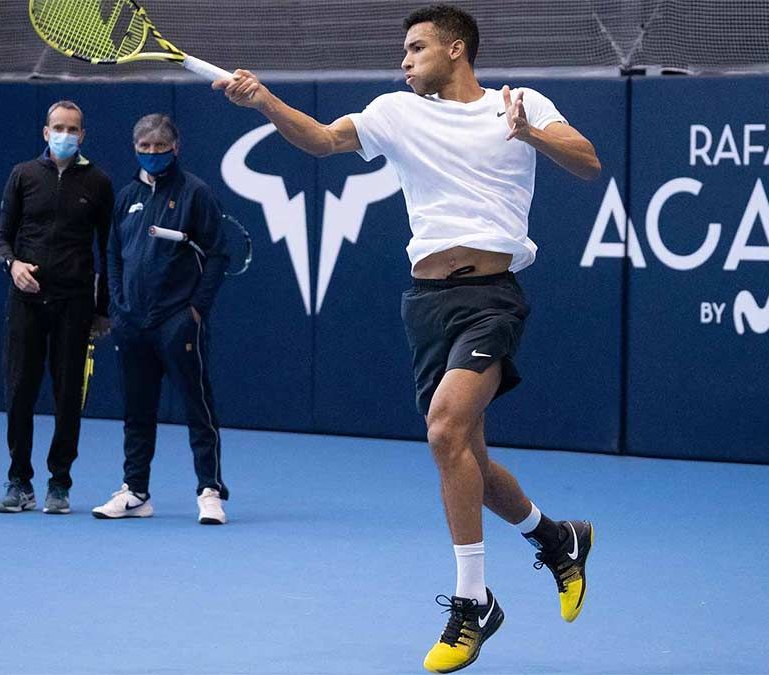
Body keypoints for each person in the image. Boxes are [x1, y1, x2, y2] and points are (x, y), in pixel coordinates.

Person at [216, 5, 602, 672]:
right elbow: (322, 139)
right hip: (426, 304)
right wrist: (265, 101)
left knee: (444, 431)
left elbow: (588, 162)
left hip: (491, 298)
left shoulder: (520, 102)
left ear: (457, 49)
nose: (404, 61)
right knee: (470, 465)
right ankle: (557, 536)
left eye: (416, 48)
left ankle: (473, 602)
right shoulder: (396, 113)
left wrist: (530, 134)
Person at [91, 113, 230, 525]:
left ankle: (209, 491)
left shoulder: (195, 193)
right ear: (135, 148)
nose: (152, 153)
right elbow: (113, 256)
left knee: (196, 406)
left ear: (176, 148)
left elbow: (219, 255)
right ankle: (135, 491)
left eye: (160, 146)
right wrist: (116, 304)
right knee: (137, 410)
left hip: (176, 321)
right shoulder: (126, 196)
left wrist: (195, 310)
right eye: (144, 147)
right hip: (132, 322)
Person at [0, 100, 113, 515]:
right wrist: (14, 265)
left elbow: (107, 249)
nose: (65, 134)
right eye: (58, 127)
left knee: (67, 396)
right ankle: (18, 481)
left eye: (73, 129)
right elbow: (2, 238)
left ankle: (59, 483)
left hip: (75, 303)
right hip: (26, 300)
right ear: (46, 132)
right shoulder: (22, 176)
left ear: (83, 136)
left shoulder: (98, 182)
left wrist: (103, 308)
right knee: (21, 389)